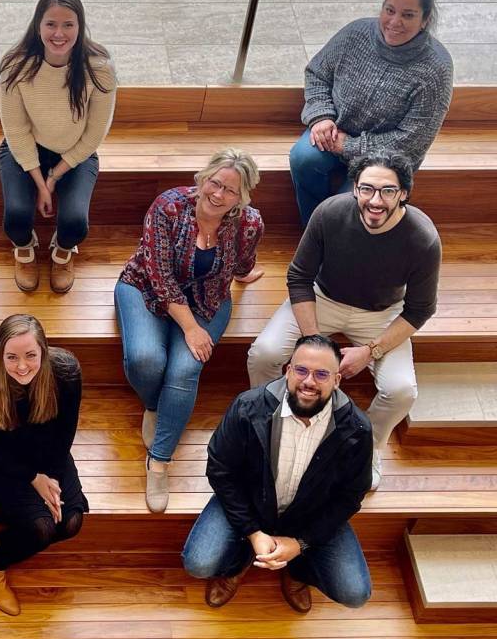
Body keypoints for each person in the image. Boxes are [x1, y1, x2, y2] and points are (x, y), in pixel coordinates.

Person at [248, 151, 441, 492]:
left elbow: (419, 309)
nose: (375, 201)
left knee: (401, 391)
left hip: (381, 314)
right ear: (355, 188)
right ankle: (266, 422)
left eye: (387, 191)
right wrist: (314, 345)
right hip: (322, 299)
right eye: (366, 189)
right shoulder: (330, 213)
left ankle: (366, 447)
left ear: (404, 194)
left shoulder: (422, 238)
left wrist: (370, 351)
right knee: (263, 354)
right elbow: (299, 277)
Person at [116, 149, 264, 513]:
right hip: (146, 287)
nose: (218, 194)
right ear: (202, 178)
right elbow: (160, 276)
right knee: (146, 360)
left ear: (242, 197)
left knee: (184, 369)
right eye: (215, 182)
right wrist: (191, 329)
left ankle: (159, 461)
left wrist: (241, 275)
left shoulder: (248, 223)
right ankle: (154, 405)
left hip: (208, 298)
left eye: (231, 190)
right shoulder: (168, 206)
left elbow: (244, 262)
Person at [183, 334, 373, 613]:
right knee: (199, 563)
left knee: (355, 593)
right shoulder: (247, 407)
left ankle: (297, 572)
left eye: (321, 374)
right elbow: (220, 469)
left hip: (309, 514)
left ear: (337, 380)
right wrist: (252, 532)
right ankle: (239, 562)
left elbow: (350, 496)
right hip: (251, 503)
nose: (309, 381)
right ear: (287, 371)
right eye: (301, 370)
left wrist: (300, 543)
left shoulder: (358, 429)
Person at [290, 0, 453, 227]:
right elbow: (317, 73)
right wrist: (321, 117)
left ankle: (337, 245)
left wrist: (350, 146)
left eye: (408, 15)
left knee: (351, 203)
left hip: (386, 157)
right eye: (390, 10)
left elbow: (412, 139)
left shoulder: (436, 68)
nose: (394, 22)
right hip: (334, 133)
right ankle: (313, 231)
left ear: (425, 20)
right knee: (303, 158)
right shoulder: (355, 33)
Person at [0, 314, 86, 615]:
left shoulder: (65, 373)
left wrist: (52, 478)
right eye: (11, 357)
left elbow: (66, 430)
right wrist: (33, 478)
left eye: (31, 355)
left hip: (47, 454)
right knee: (41, 527)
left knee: (71, 521)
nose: (21, 366)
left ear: (43, 351)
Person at [0, 0, 117, 293]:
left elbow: (94, 134)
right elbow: (16, 129)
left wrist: (55, 177)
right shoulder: (16, 65)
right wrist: (40, 181)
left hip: (76, 153)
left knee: (76, 222)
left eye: (68, 24)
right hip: (24, 149)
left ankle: (62, 253)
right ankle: (25, 250)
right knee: (16, 217)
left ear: (80, 26)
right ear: (38, 25)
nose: (59, 33)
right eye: (51, 24)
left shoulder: (99, 69)